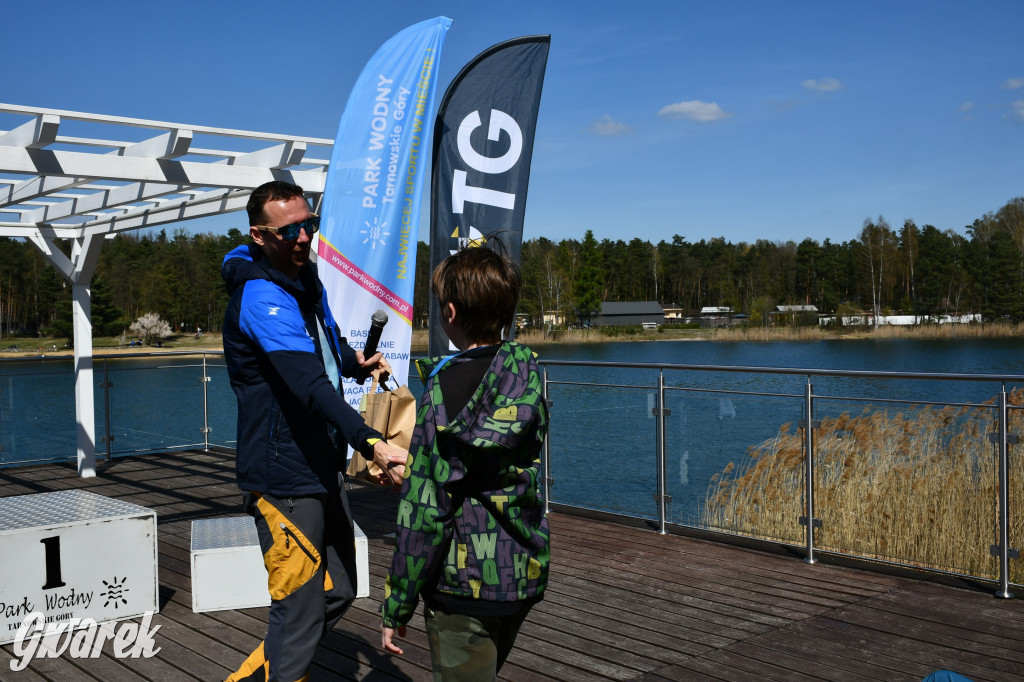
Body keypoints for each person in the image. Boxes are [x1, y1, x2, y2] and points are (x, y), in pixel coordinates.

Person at [222, 180, 407, 682]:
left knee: (341, 589)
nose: (304, 237)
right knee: (297, 611)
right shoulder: (260, 296)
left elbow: (324, 346)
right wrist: (370, 441)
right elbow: (308, 384)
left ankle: (262, 672)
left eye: (310, 225)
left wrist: (353, 361)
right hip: (282, 476)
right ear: (260, 236)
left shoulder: (305, 279)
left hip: (319, 465)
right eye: (290, 231)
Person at [380, 247, 550, 681]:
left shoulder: (443, 391)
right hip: (519, 574)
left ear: (450, 312)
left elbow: (426, 511)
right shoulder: (527, 371)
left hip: (463, 583)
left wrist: (398, 603)